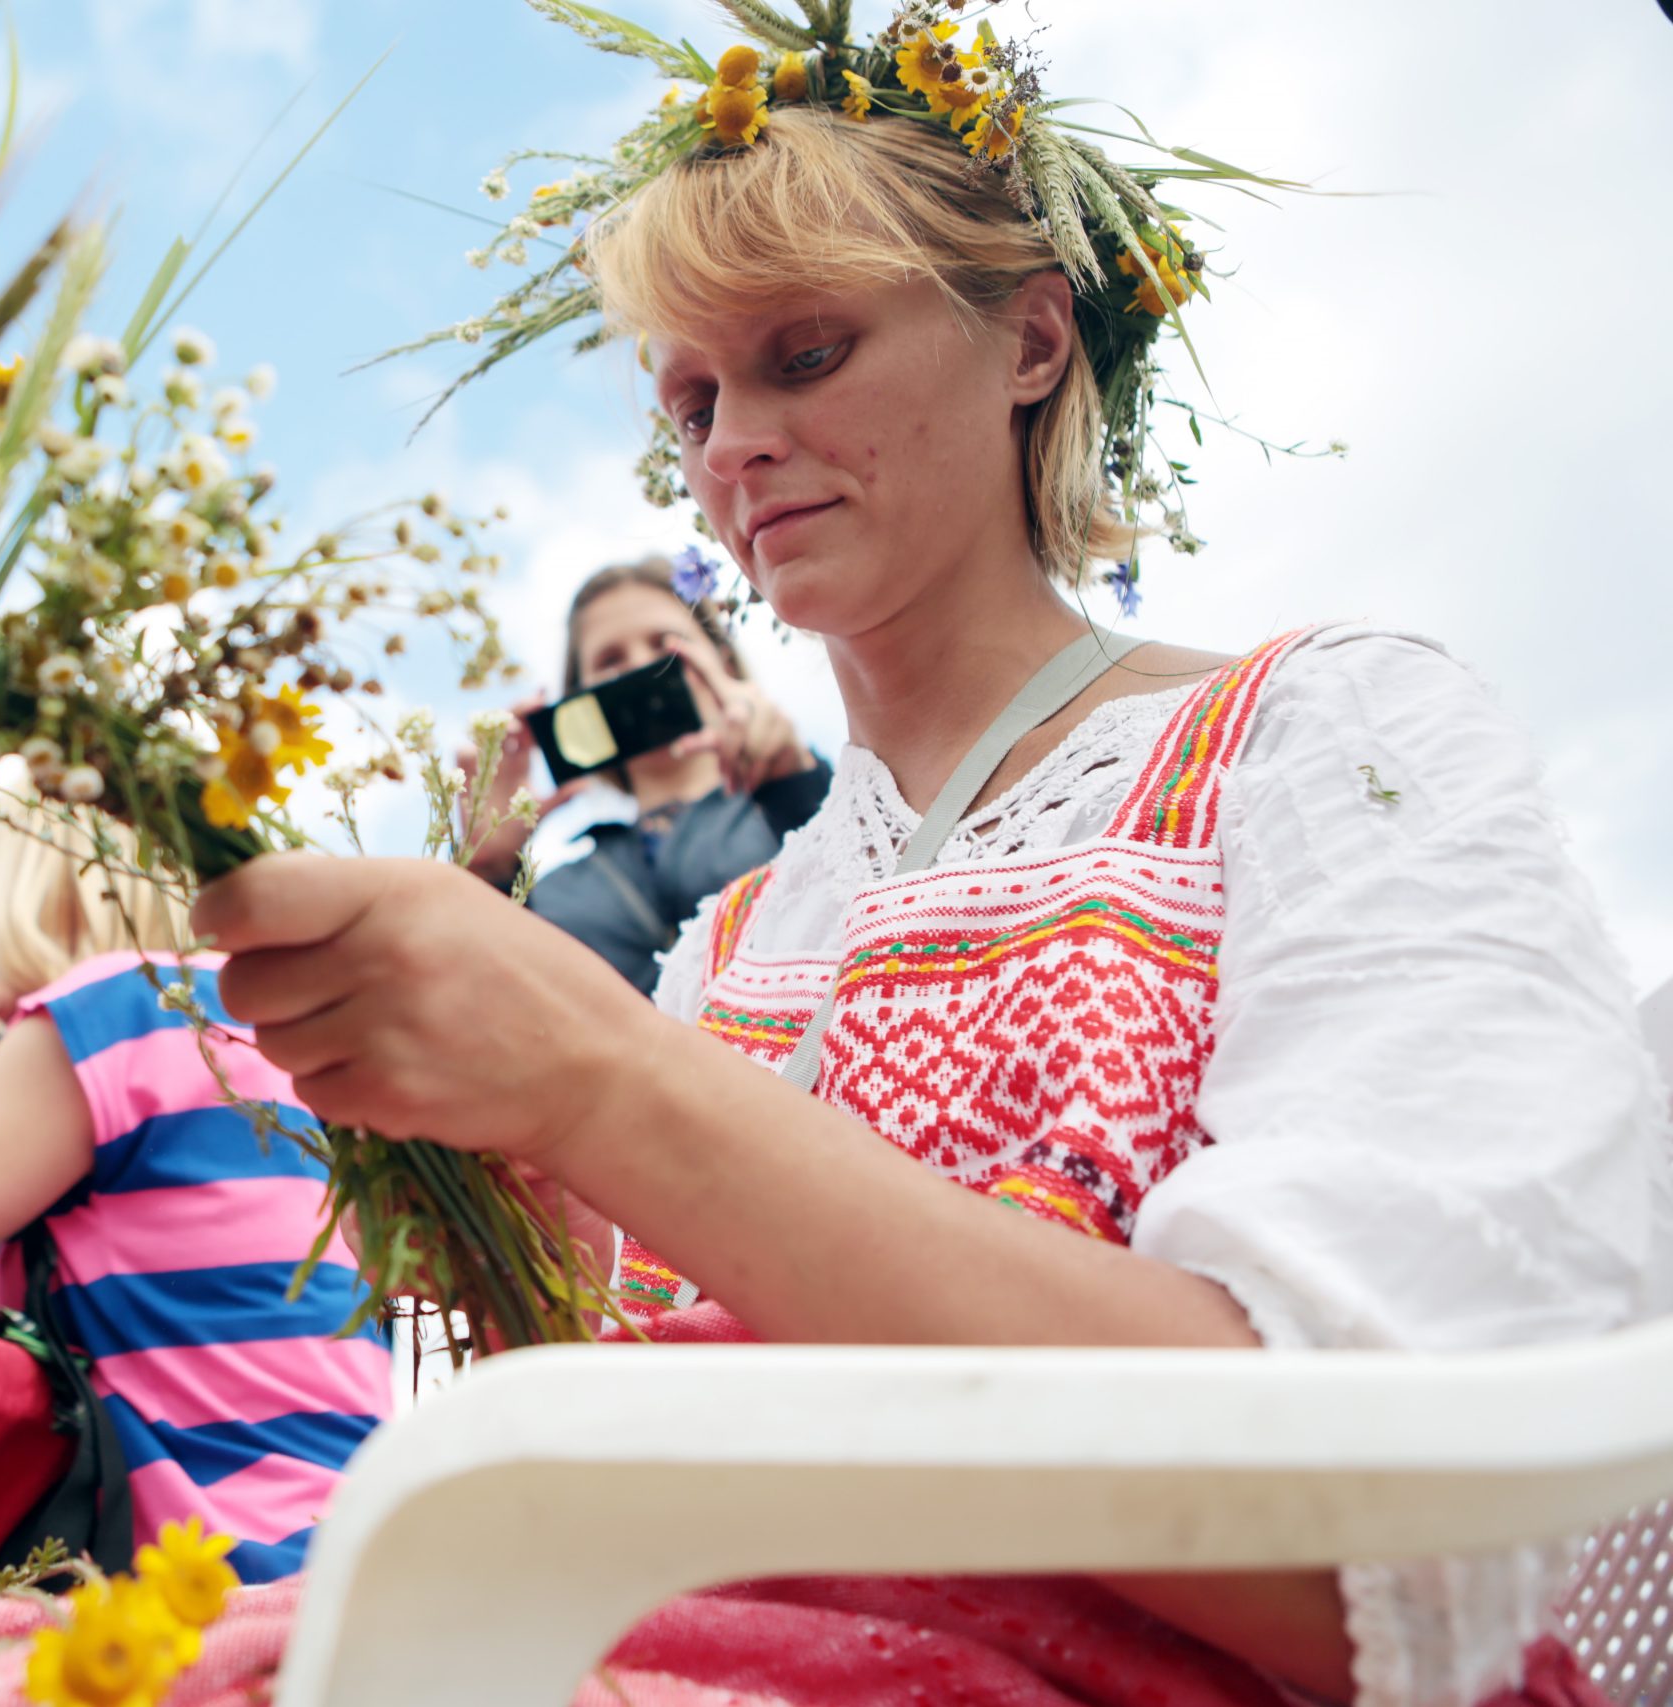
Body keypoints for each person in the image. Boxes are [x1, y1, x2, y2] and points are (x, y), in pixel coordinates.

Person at [177, 43, 1665, 1707]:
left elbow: (1386, 1544)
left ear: (1032, 338)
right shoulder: (742, 932)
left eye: (803, 353)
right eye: (690, 401)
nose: (734, 445)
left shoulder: (1322, 733)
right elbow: (652, 1444)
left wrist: (602, 1083)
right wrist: (499, 1190)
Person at [0, 792, 391, 1583]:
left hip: (221, 1579)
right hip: (353, 1554)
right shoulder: (281, 1043)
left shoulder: (120, 1007)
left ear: (24, 894)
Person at [462, 555, 831, 993]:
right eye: (609, 660)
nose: (641, 667)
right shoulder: (556, 894)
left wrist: (795, 788)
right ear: (582, 703)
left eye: (665, 643)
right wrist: (487, 872)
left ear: (722, 664)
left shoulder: (813, 801)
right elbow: (482, 1004)